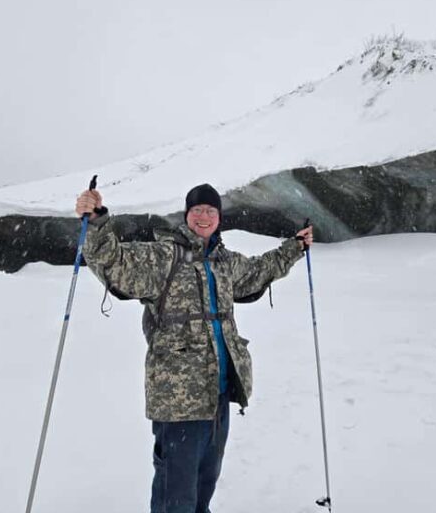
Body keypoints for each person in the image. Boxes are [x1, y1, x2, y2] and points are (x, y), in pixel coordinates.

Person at [75, 183, 313, 513]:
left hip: (218, 396)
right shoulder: (164, 256)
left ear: (219, 218)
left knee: (204, 487)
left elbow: (259, 271)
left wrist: (296, 247)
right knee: (176, 495)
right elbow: (115, 263)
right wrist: (98, 222)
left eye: (211, 211)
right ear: (187, 215)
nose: (204, 216)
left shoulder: (224, 262)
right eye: (197, 210)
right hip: (179, 402)